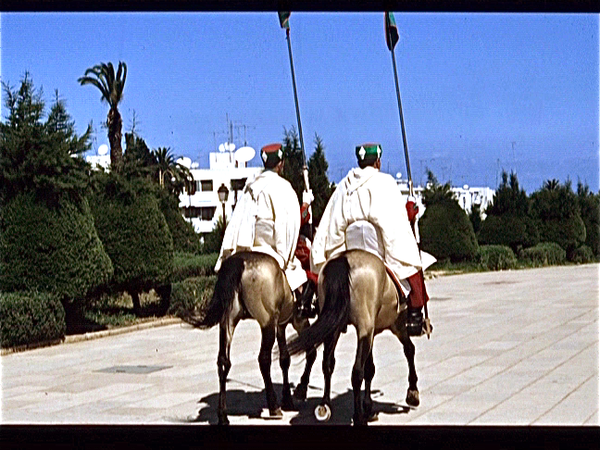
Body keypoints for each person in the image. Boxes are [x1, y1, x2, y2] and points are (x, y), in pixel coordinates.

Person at [310, 143, 435, 336]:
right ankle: (415, 315)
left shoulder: (344, 185)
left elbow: (332, 223)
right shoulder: (385, 182)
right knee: (412, 261)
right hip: (378, 250)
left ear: (360, 162)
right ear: (378, 161)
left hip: (350, 248)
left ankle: (316, 303)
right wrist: (410, 210)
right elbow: (396, 222)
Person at [215, 143, 307, 294]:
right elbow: (288, 225)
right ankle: (301, 308)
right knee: (298, 276)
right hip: (273, 248)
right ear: (281, 164)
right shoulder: (283, 187)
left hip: (251, 245)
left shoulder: (250, 186)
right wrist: (305, 205)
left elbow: (237, 222)